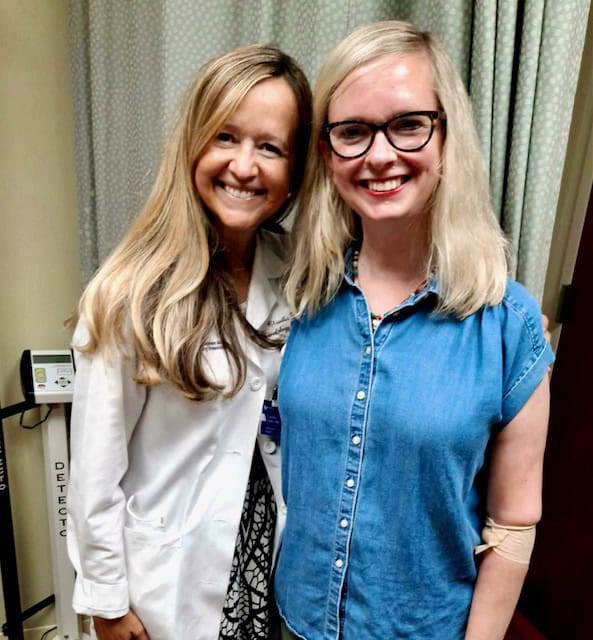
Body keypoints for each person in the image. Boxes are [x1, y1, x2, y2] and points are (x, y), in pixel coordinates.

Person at [276, 21, 553, 640]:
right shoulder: (296, 299)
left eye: (407, 124)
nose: (379, 156)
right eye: (352, 131)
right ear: (326, 152)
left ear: (447, 137)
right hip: (294, 622)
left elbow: (512, 527)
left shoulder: (507, 325)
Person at [66, 44, 312, 640]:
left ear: (297, 168)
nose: (245, 166)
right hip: (163, 583)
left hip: (265, 562)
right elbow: (95, 471)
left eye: (271, 147)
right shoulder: (128, 293)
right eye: (225, 137)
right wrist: (107, 602)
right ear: (192, 142)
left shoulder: (304, 274)